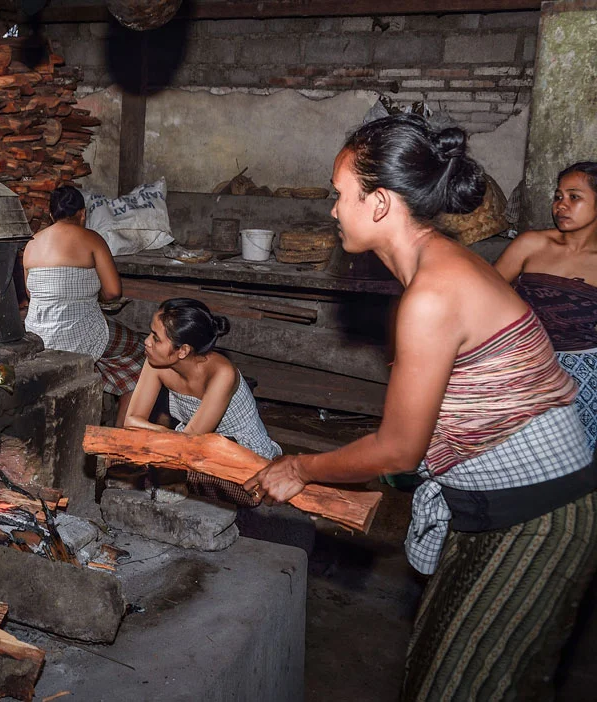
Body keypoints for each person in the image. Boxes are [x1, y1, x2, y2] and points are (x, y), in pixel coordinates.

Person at [245, 114, 597, 701]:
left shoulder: (434, 292)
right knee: (439, 669)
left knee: (466, 687)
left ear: (379, 202)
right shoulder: (436, 272)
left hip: (539, 515)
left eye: (341, 196)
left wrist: (298, 467)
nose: (333, 211)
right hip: (492, 507)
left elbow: (400, 448)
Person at [495, 162, 597, 453]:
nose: (561, 205)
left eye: (574, 197)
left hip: (582, 370)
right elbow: (486, 297)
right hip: (522, 361)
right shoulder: (532, 244)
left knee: (568, 457)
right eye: (558, 196)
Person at [23, 185, 145, 426]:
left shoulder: (31, 244)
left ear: (51, 216)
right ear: (82, 214)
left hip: (37, 335)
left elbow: (31, 294)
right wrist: (94, 296)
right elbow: (112, 292)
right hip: (81, 331)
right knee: (143, 352)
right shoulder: (91, 239)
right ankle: (119, 438)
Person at [125, 297, 280, 460]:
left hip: (242, 450)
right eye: (151, 333)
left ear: (183, 350)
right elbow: (131, 421)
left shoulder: (222, 373)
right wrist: (166, 432)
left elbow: (189, 443)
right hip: (189, 445)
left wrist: (160, 432)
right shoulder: (156, 361)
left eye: (156, 338)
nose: (147, 341)